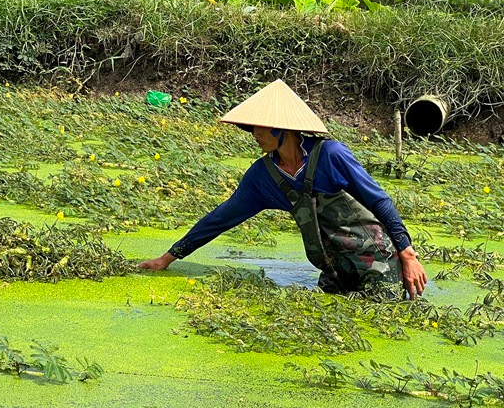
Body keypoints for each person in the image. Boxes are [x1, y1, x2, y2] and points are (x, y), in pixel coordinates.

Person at [139, 80, 427, 298]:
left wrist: (408, 255)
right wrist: (169, 257)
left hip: (377, 264)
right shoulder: (263, 177)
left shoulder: (331, 156)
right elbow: (221, 218)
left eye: (261, 128)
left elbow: (380, 202)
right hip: (333, 271)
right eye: (251, 128)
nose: (255, 135)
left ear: (283, 128)